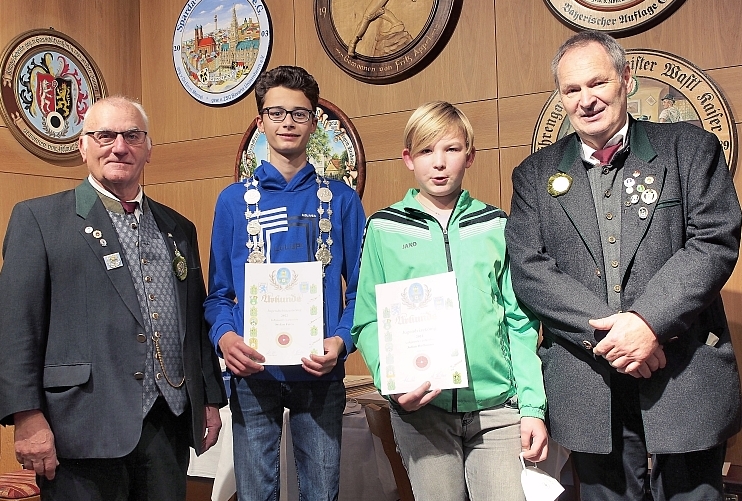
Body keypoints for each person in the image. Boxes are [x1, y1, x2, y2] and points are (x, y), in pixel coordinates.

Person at [505, 30, 742, 501]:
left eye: (597, 83)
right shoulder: (533, 175)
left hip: (685, 372)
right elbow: (530, 270)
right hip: (587, 383)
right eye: (572, 89)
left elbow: (713, 240)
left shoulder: (690, 149)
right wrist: (616, 338)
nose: (586, 99)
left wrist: (648, 323)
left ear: (626, 80)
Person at [0, 96, 227, 501]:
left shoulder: (179, 227)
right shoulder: (39, 220)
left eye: (132, 136)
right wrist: (27, 416)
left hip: (167, 423)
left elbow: (194, 322)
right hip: (81, 427)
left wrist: (209, 399)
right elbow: (16, 328)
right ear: (82, 146)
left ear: (148, 149)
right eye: (105, 135)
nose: (119, 147)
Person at [352, 101, 548, 501]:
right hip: (423, 411)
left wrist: (532, 407)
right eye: (426, 151)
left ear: (470, 156)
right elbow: (368, 320)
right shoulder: (384, 228)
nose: (439, 163)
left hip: (497, 410)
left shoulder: (495, 224)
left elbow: (519, 321)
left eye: (451, 149)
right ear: (408, 159)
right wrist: (392, 383)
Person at [204, 65, 366, 501]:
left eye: (299, 113)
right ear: (260, 122)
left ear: (314, 122)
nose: (287, 122)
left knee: (322, 494)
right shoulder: (233, 201)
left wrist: (341, 341)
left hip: (320, 373)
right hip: (253, 373)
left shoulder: (342, 200)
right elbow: (218, 295)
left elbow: (362, 292)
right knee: (255, 495)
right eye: (276, 113)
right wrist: (226, 338)